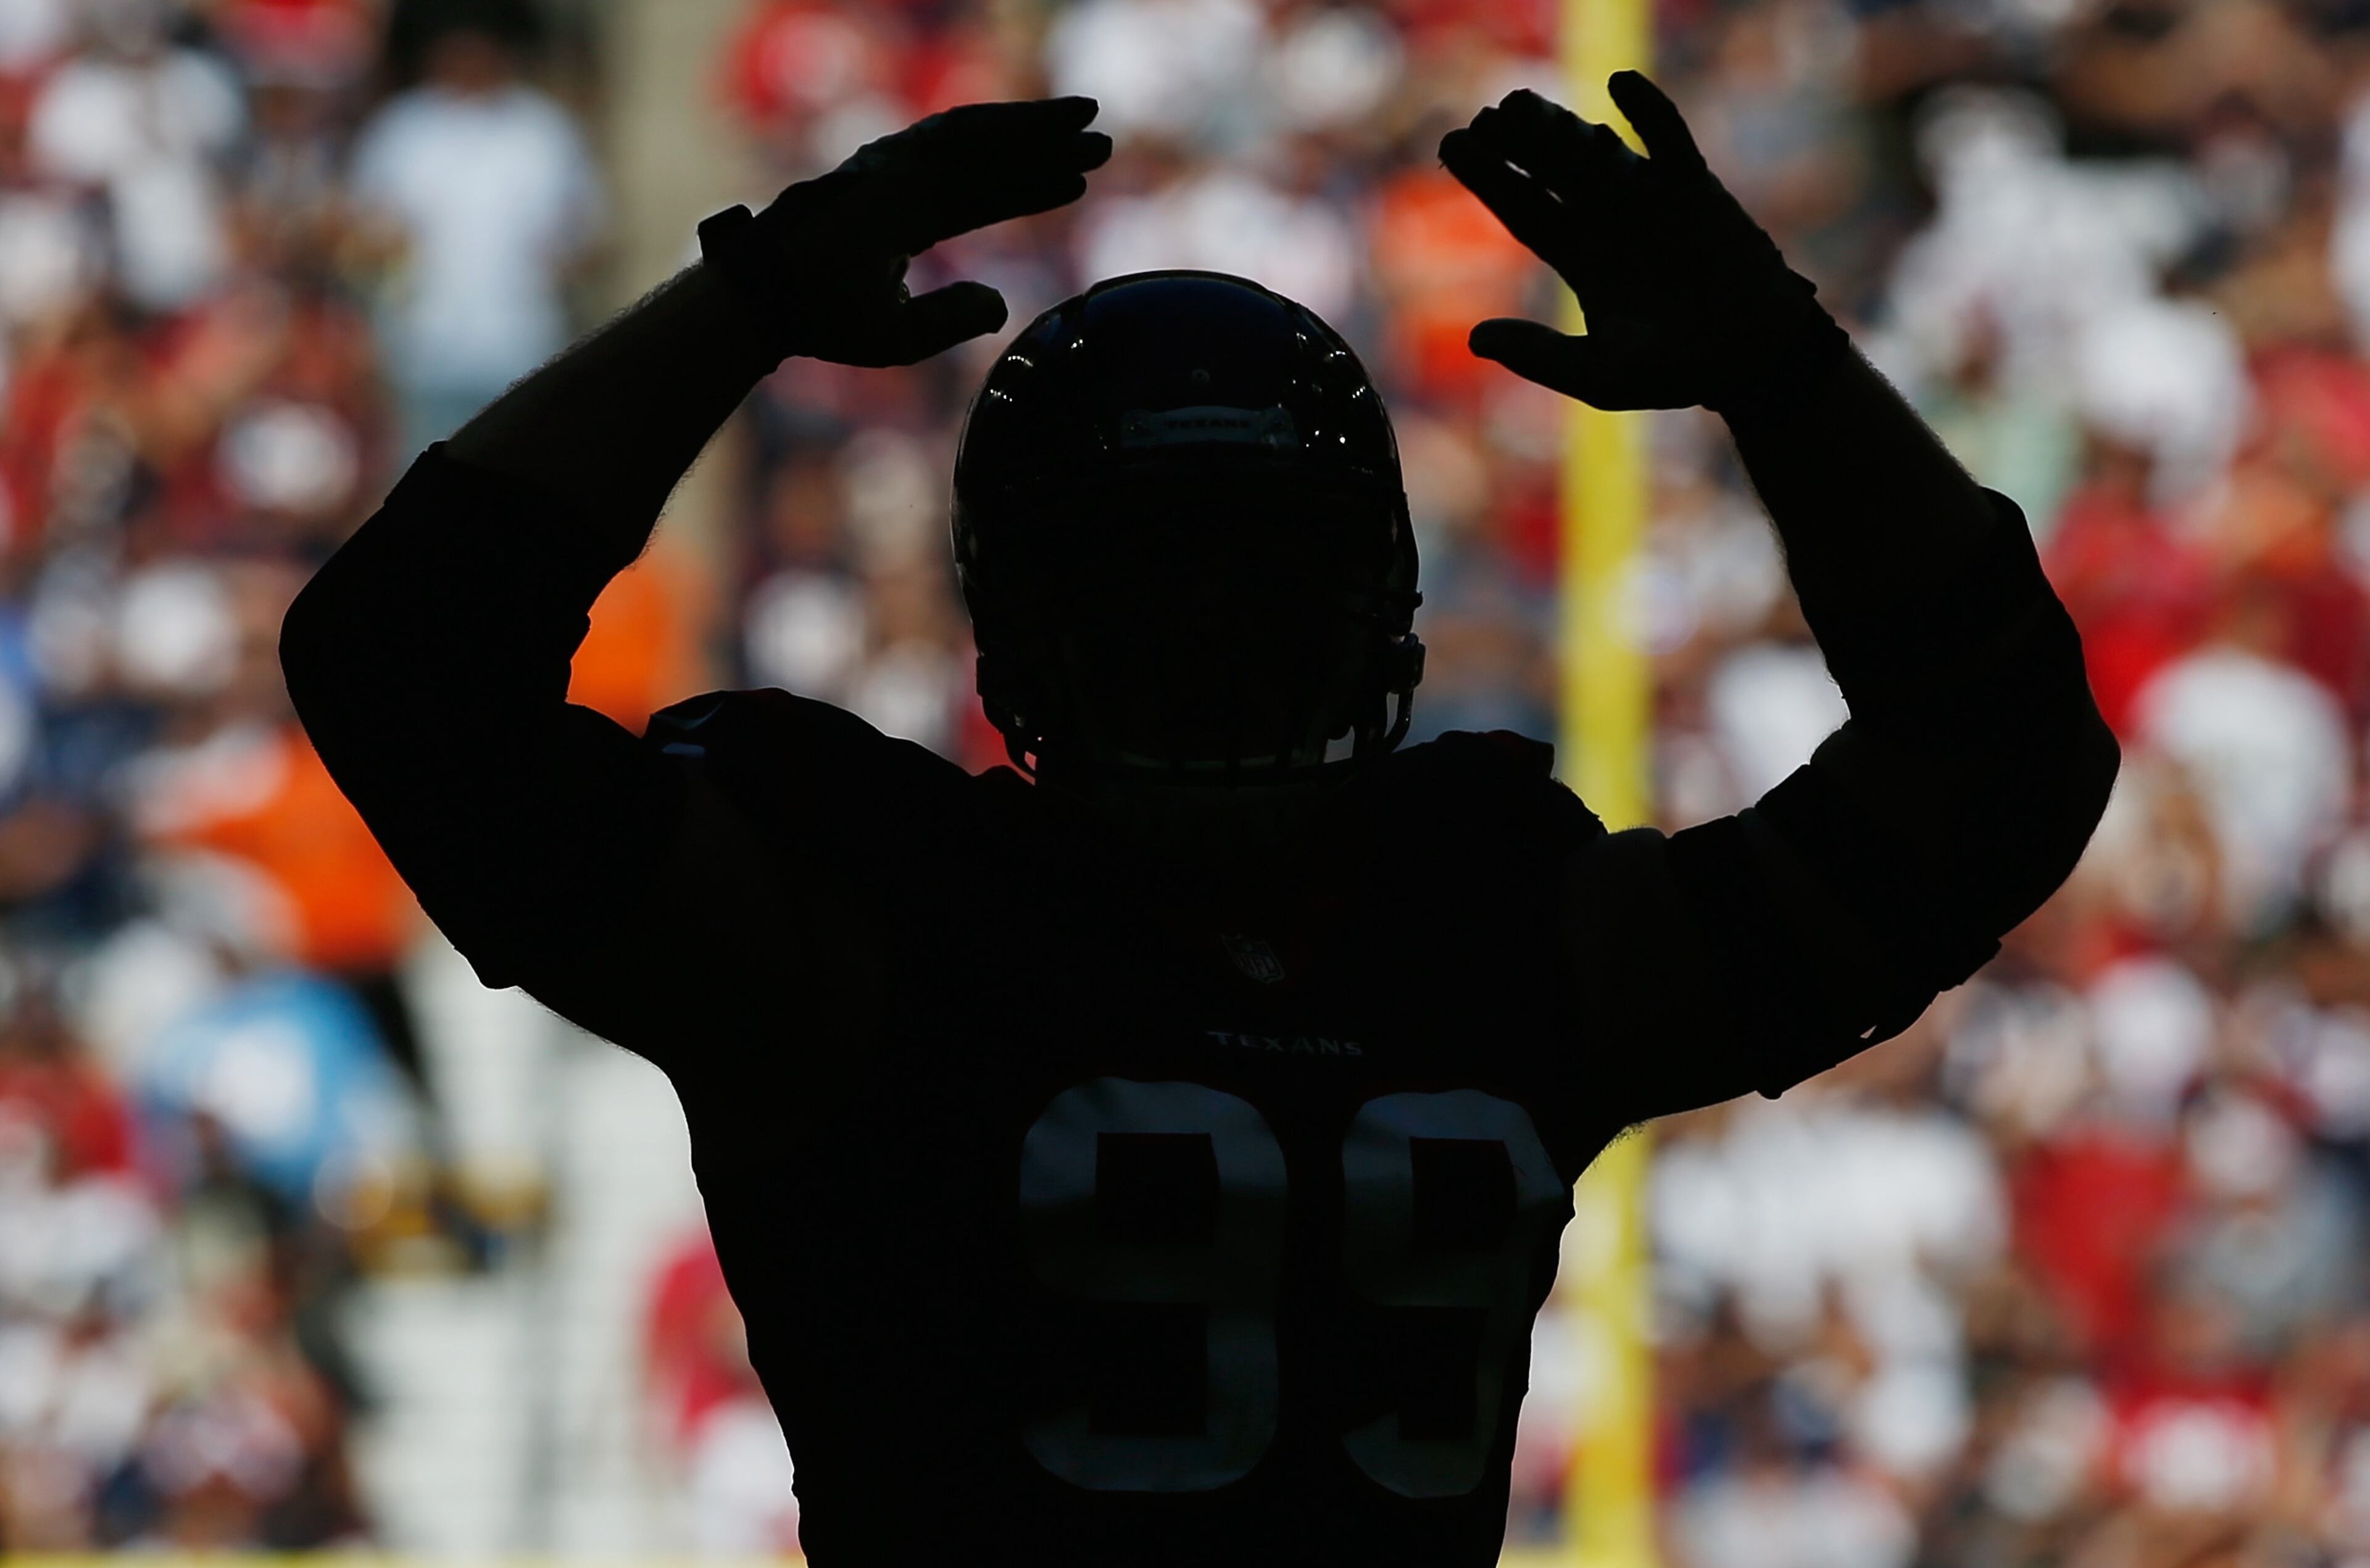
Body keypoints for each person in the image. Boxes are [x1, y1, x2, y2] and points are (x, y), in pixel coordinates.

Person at [278, 83, 2118, 1565]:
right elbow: (2004, 761)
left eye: (1249, 587)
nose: (1224, 642)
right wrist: (1778, 368)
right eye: (1185, 592)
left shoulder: (853, 923)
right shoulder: (1509, 932)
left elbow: (399, 663)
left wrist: (746, 305)